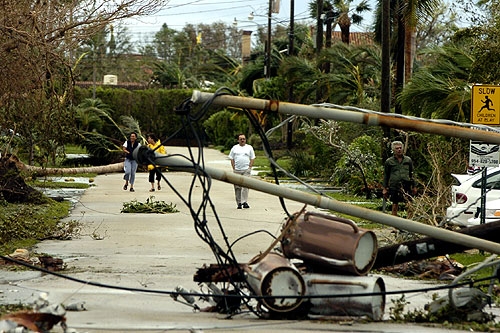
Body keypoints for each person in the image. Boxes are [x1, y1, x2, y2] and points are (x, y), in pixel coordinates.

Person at [382, 141, 417, 216]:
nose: (399, 150)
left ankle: (409, 222)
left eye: (400, 148)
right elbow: (386, 175)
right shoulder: (389, 161)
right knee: (395, 204)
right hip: (394, 186)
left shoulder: (408, 160)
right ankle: (394, 223)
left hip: (406, 185)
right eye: (397, 148)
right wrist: (385, 188)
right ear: (393, 150)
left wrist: (414, 186)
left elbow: (412, 173)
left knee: (409, 204)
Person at [228, 134, 255, 209]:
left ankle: (244, 202)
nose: (242, 140)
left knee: (245, 186)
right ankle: (239, 202)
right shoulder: (234, 148)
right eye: (241, 139)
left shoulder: (249, 147)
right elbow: (232, 158)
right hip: (237, 170)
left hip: (246, 169)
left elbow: (252, 158)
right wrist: (234, 167)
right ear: (238, 140)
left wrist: (250, 167)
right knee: (237, 187)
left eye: (244, 139)